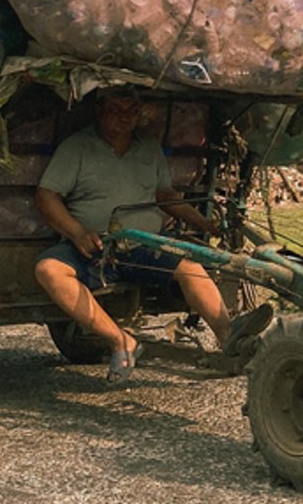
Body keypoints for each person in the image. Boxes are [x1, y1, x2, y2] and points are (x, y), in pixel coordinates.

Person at [34, 87, 271, 382]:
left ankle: (229, 337)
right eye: (115, 109)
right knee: (49, 270)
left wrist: (203, 223)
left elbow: (165, 195)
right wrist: (78, 232)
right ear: (99, 111)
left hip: (144, 245)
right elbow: (46, 196)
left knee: (191, 267)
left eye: (131, 110)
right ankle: (121, 342)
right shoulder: (77, 147)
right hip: (96, 247)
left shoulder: (148, 147)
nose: (124, 117)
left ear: (139, 114)